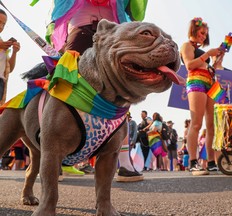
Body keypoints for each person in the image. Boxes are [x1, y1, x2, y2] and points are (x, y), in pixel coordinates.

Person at [42, 0, 148, 178]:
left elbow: (137, 12)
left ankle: (124, 162)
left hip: (114, 35)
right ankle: (56, 156)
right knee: (65, 86)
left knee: (120, 94)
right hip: (80, 31)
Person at [180, 17, 222, 175]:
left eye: (206, 34)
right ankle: (193, 162)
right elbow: (190, 65)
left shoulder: (203, 52)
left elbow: (213, 68)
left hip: (211, 83)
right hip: (196, 81)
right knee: (196, 123)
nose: (204, 36)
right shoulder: (186, 46)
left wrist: (217, 59)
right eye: (202, 33)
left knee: (211, 125)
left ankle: (211, 161)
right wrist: (208, 55)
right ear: (194, 30)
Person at [0, 9, 21, 105]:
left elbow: (9, 69)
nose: (1, 27)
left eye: (3, 24)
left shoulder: (3, 44)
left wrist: (14, 52)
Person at [117, 112, 144, 182]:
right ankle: (126, 167)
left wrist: (133, 141)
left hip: (129, 140)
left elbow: (135, 132)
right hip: (124, 140)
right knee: (120, 114)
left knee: (128, 154)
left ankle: (128, 166)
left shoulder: (132, 122)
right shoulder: (128, 122)